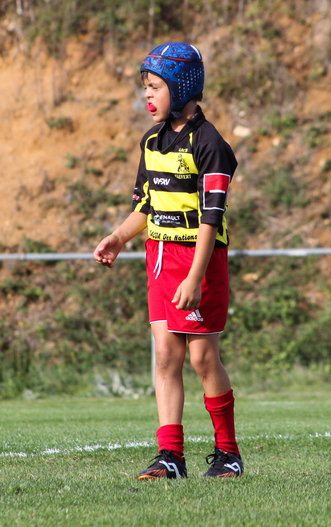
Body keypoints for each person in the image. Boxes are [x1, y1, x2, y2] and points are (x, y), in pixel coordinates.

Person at [93, 42, 243, 480]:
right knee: (164, 356)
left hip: (199, 259)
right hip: (159, 258)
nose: (147, 95)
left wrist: (195, 277)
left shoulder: (210, 144)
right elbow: (146, 204)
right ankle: (170, 456)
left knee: (202, 359)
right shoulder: (152, 141)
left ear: (181, 87)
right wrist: (118, 237)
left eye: (155, 86)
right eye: (145, 87)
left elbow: (211, 218)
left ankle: (228, 453)